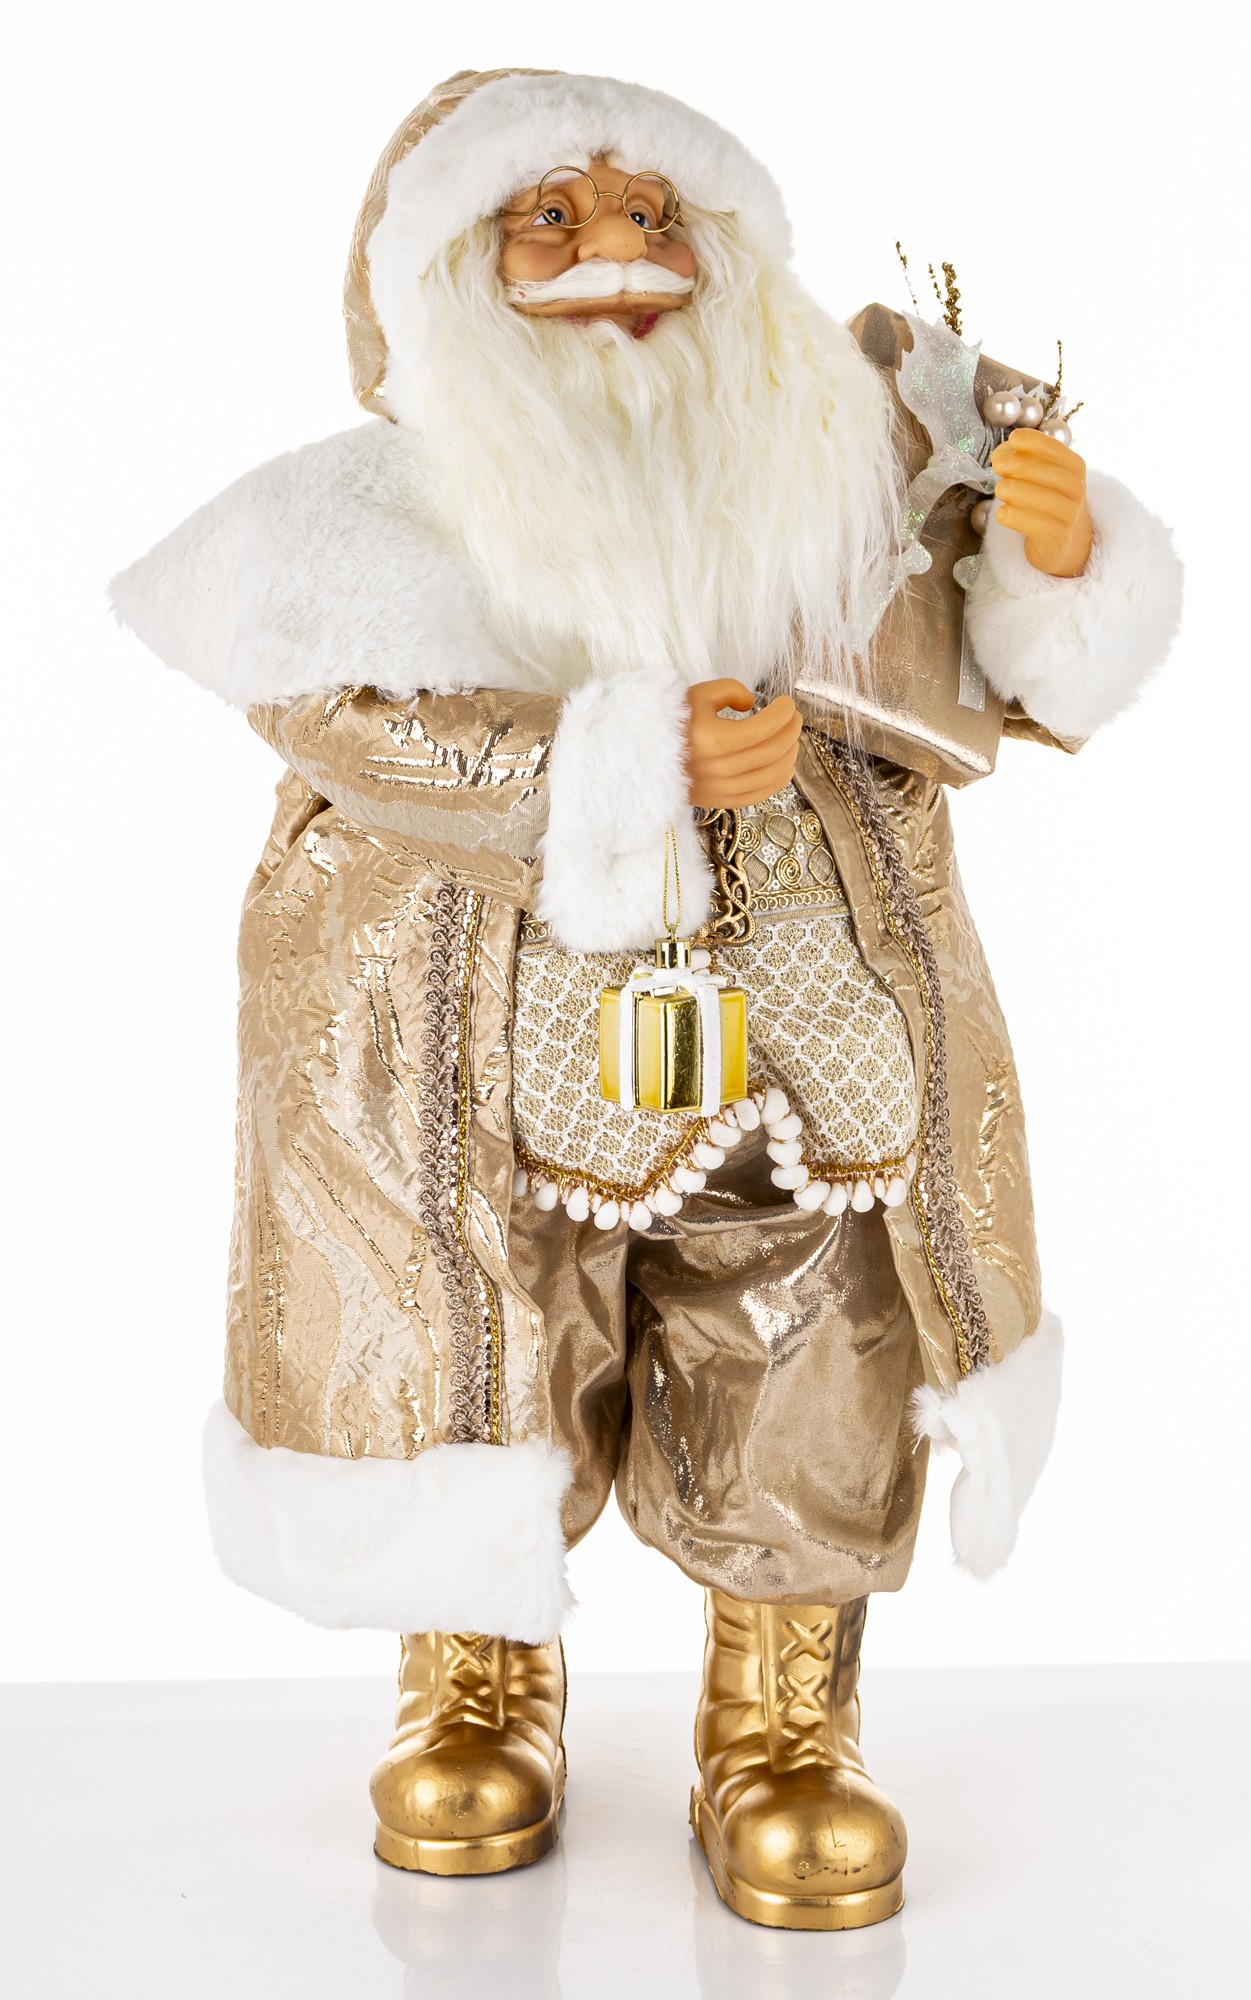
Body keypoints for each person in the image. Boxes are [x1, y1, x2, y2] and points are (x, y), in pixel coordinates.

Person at [112, 68, 1182, 1929]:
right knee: (476, 1349)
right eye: (551, 218)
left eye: (655, 216)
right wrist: (619, 759)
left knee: (820, 1335)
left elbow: (1006, 675)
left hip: (808, 1034)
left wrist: (1053, 555)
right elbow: (354, 729)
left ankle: (781, 1717)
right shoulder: (351, 522)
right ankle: (474, 1671)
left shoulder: (833, 474)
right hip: (479, 1058)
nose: (616, 254)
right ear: (446, 273)